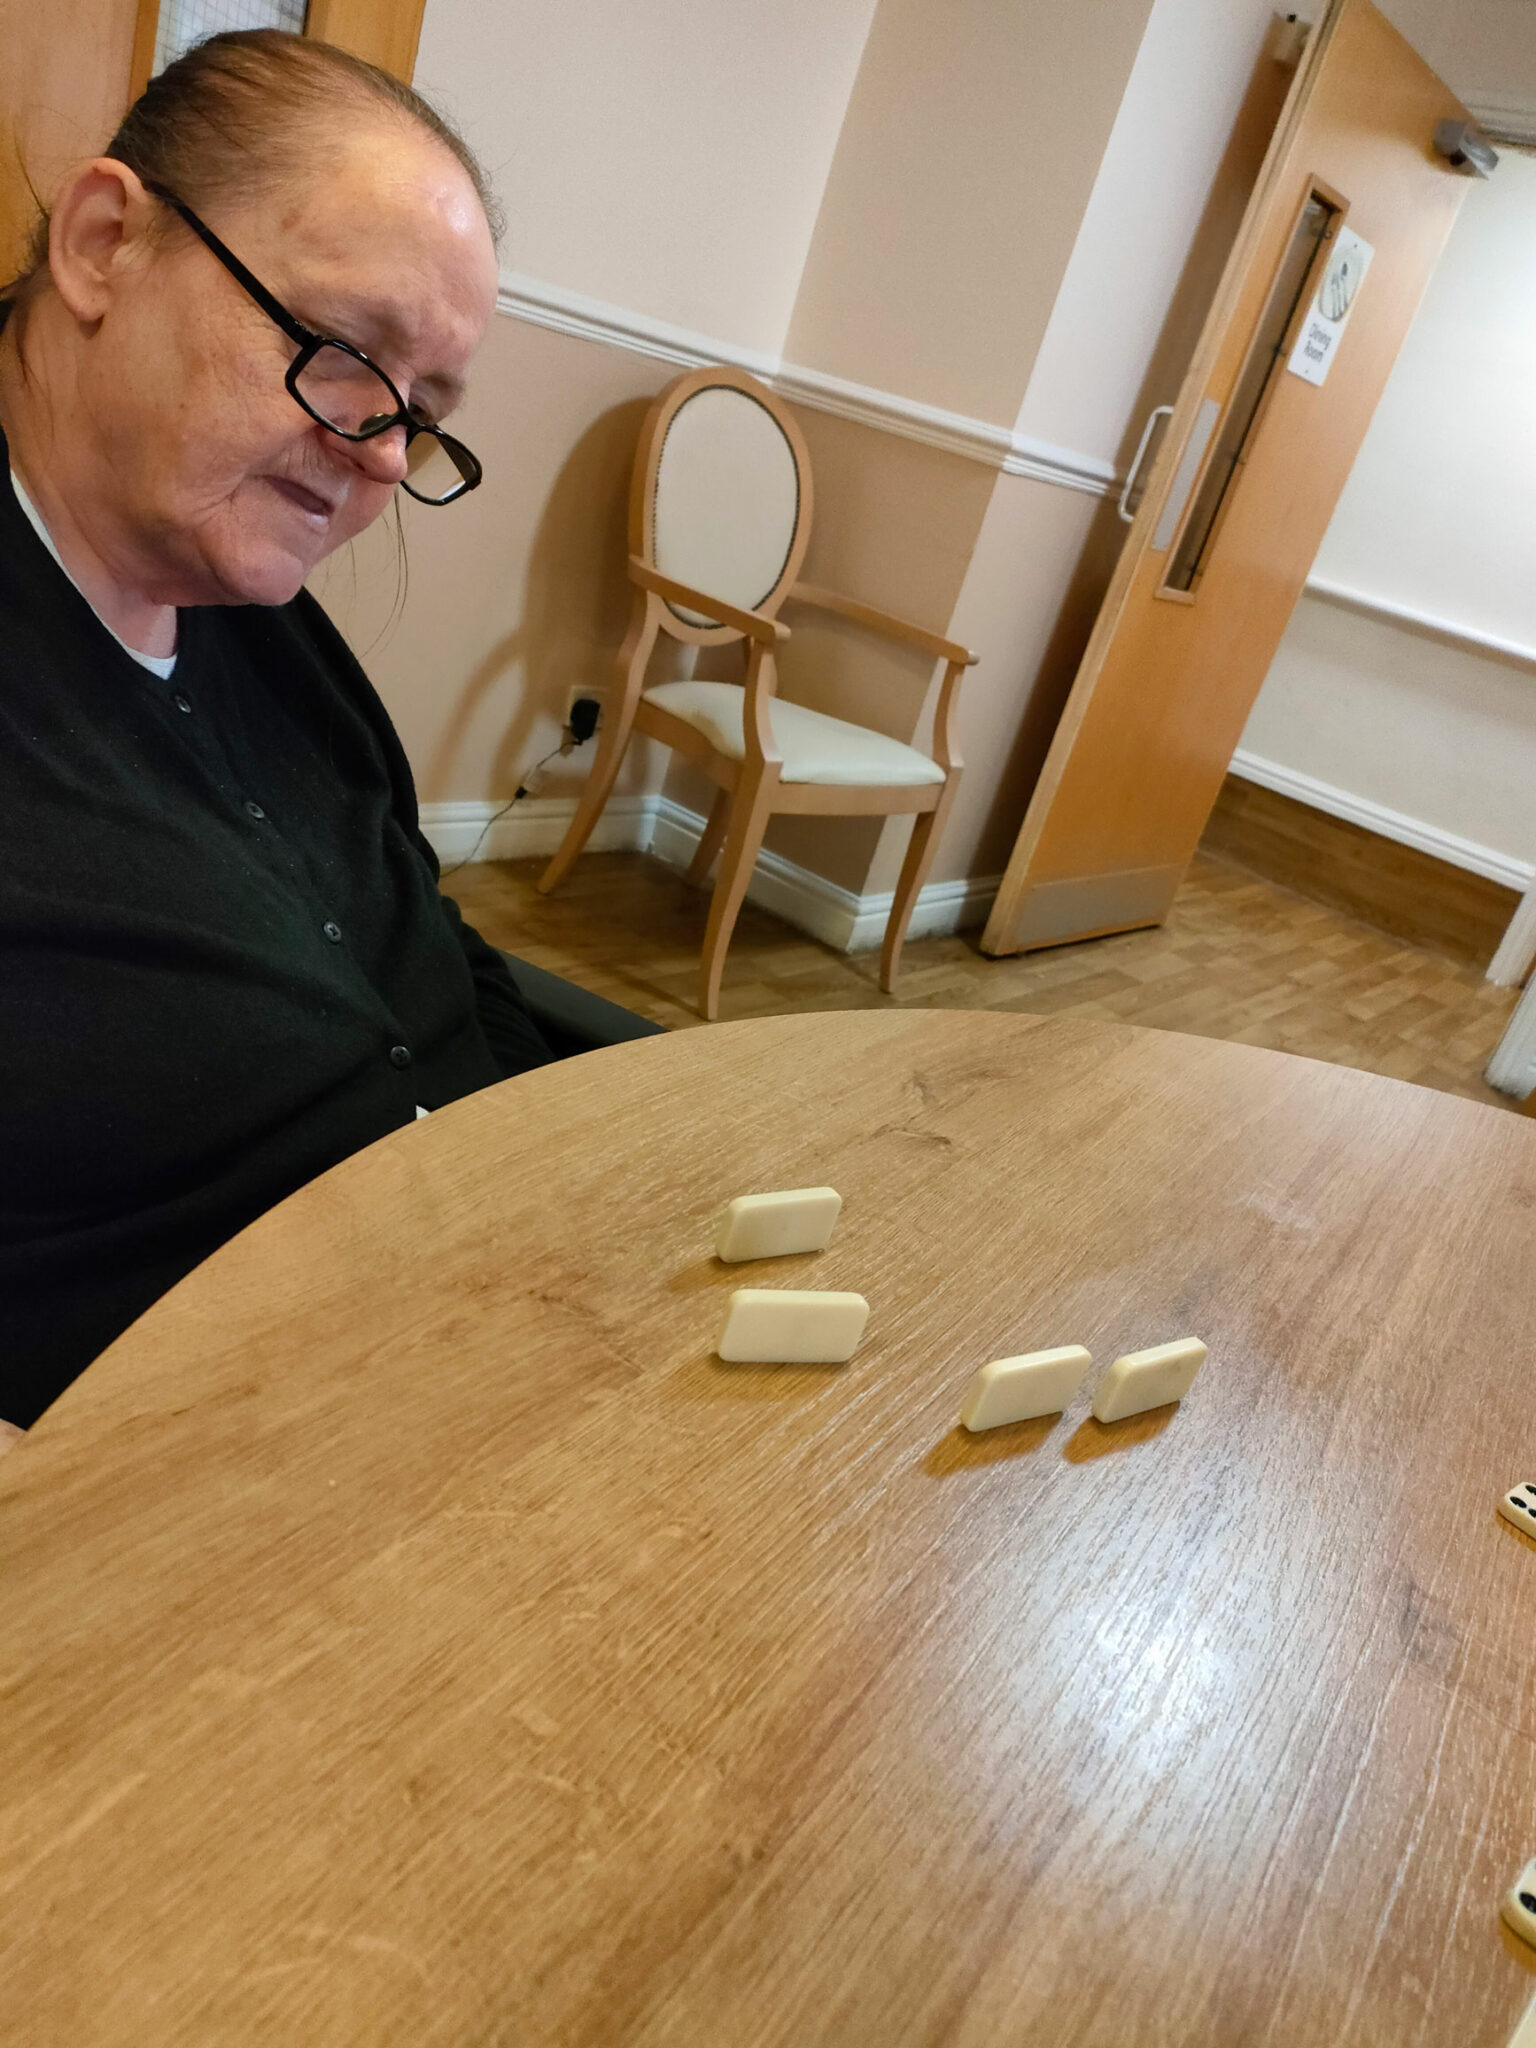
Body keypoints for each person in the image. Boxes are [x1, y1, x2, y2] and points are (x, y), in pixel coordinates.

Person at [0, 30, 555, 1438]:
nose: (382, 454)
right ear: (104, 244)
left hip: (496, 1327)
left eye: (422, 415)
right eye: (345, 353)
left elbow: (418, 933)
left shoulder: (252, 609)